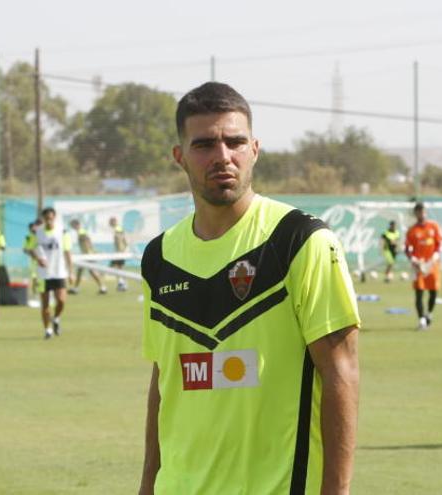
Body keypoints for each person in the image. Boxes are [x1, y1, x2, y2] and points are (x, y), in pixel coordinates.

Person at [138, 82, 361, 494]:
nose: (223, 156)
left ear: (254, 149)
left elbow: (341, 372)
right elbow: (164, 379)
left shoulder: (300, 241)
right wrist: (148, 483)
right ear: (179, 157)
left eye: (235, 142)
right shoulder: (158, 258)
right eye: (204, 144)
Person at [25, 207, 73, 339]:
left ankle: (56, 318)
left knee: (61, 300)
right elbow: (29, 249)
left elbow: (68, 252)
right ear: (44, 219)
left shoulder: (62, 231)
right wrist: (38, 258)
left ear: (55, 217)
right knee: (45, 304)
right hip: (43, 273)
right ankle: (47, 330)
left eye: (51, 218)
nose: (49, 220)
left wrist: (71, 271)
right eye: (47, 218)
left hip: (59, 271)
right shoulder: (37, 232)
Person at [404, 202, 442, 330]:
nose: (421, 213)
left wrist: (435, 256)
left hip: (432, 265)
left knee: (433, 292)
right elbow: (407, 249)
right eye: (419, 211)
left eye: (423, 211)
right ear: (415, 213)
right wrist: (413, 259)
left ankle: (429, 314)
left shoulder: (434, 226)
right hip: (418, 267)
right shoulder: (412, 230)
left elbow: (439, 244)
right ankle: (421, 320)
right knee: (419, 292)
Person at [67, 218, 107, 295]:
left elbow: (87, 242)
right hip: (86, 254)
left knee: (91, 271)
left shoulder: (81, 232)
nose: (72, 228)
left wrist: (89, 252)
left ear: (76, 225)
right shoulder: (81, 232)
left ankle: (102, 287)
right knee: (81, 270)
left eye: (73, 226)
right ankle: (76, 288)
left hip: (87, 255)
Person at [109, 216, 129, 291]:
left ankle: (122, 283)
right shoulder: (117, 229)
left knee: (118, 267)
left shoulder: (118, 229)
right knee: (118, 267)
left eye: (110, 222)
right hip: (120, 251)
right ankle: (121, 283)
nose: (110, 224)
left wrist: (122, 250)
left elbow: (122, 239)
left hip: (120, 252)